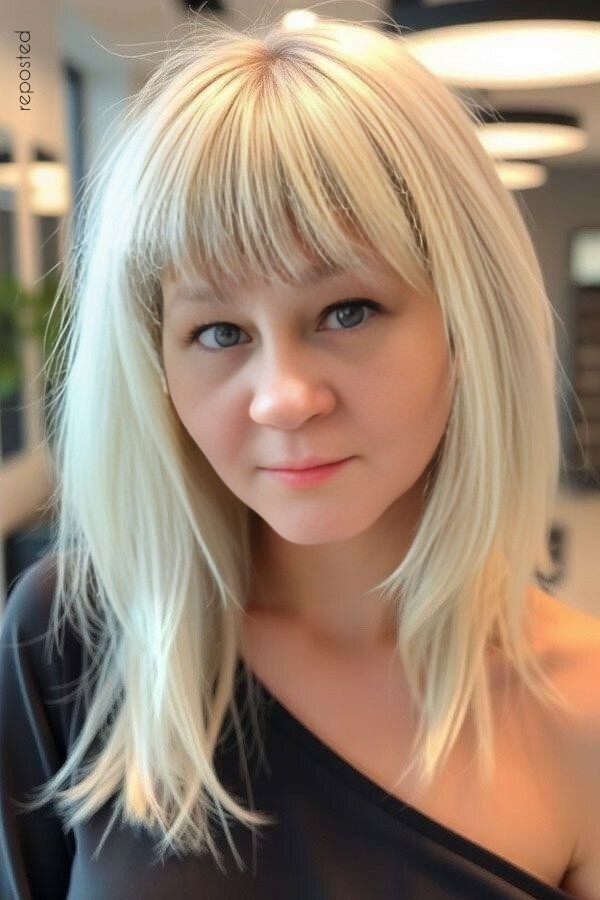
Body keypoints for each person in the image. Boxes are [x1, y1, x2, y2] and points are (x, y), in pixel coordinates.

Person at [1, 12, 598, 900]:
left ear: (466, 322)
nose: (282, 397)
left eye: (346, 312)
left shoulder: (583, 710)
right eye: (218, 332)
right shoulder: (70, 640)